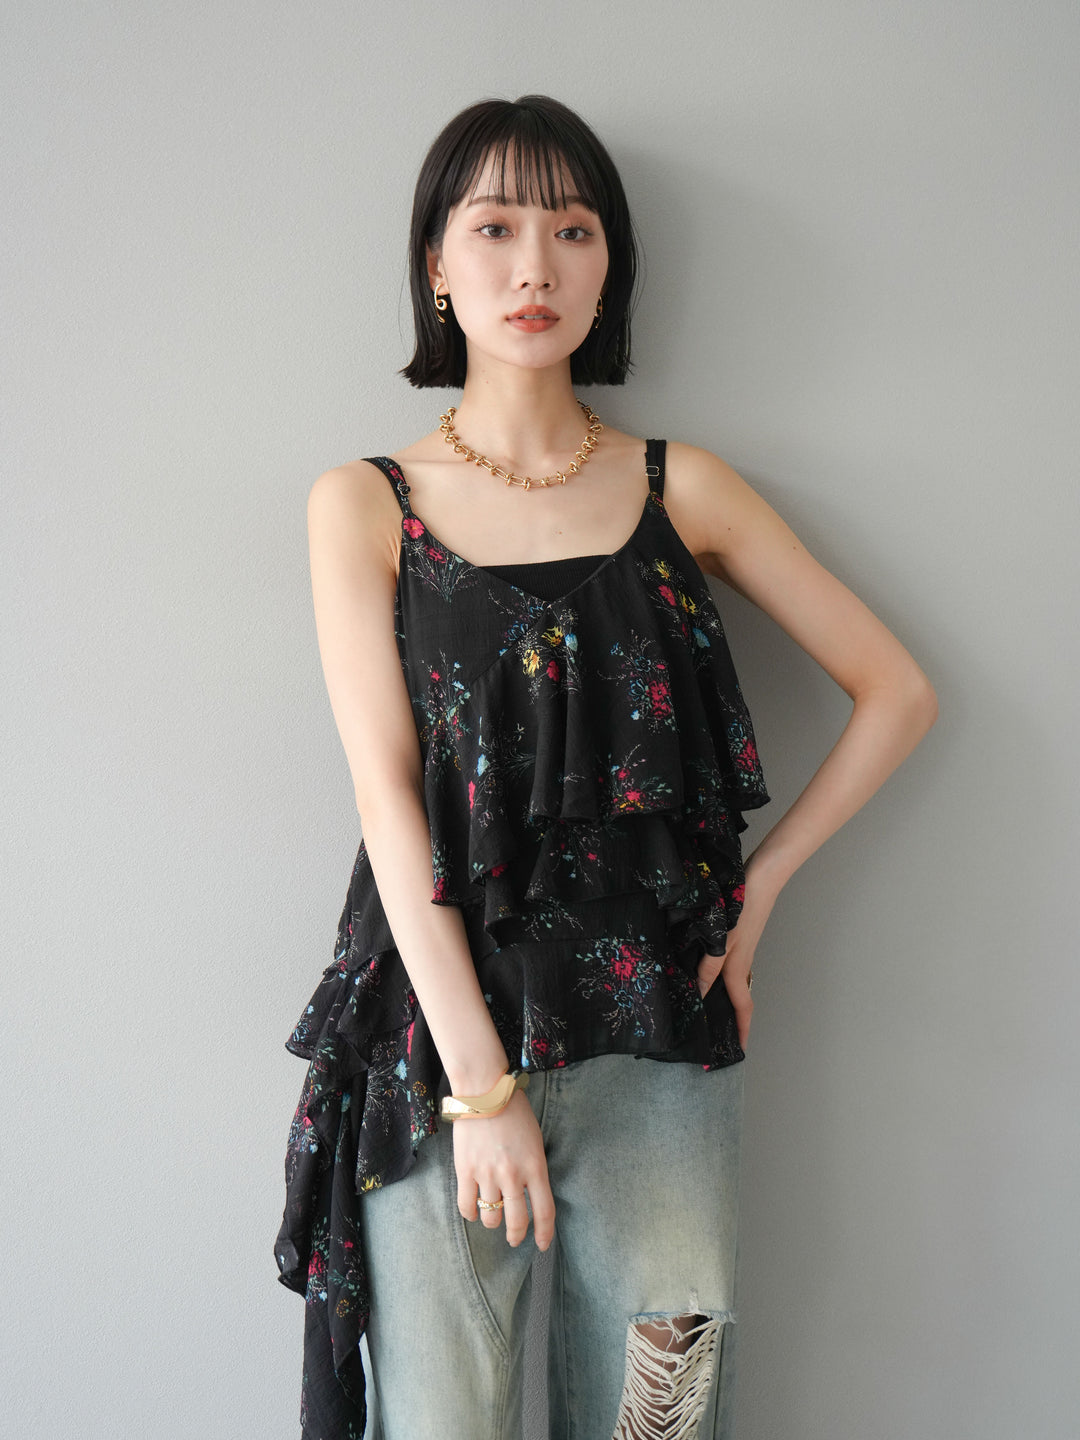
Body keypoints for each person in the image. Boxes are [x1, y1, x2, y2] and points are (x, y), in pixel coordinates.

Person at [274, 94, 938, 1440]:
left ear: (609, 266)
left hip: (658, 1048)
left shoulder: (681, 487)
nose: (535, 266)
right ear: (436, 264)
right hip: (439, 1050)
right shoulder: (365, 504)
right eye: (495, 228)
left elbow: (898, 692)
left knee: (662, 1417)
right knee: (442, 1424)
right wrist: (482, 1088)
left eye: (572, 231)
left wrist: (757, 896)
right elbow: (388, 798)